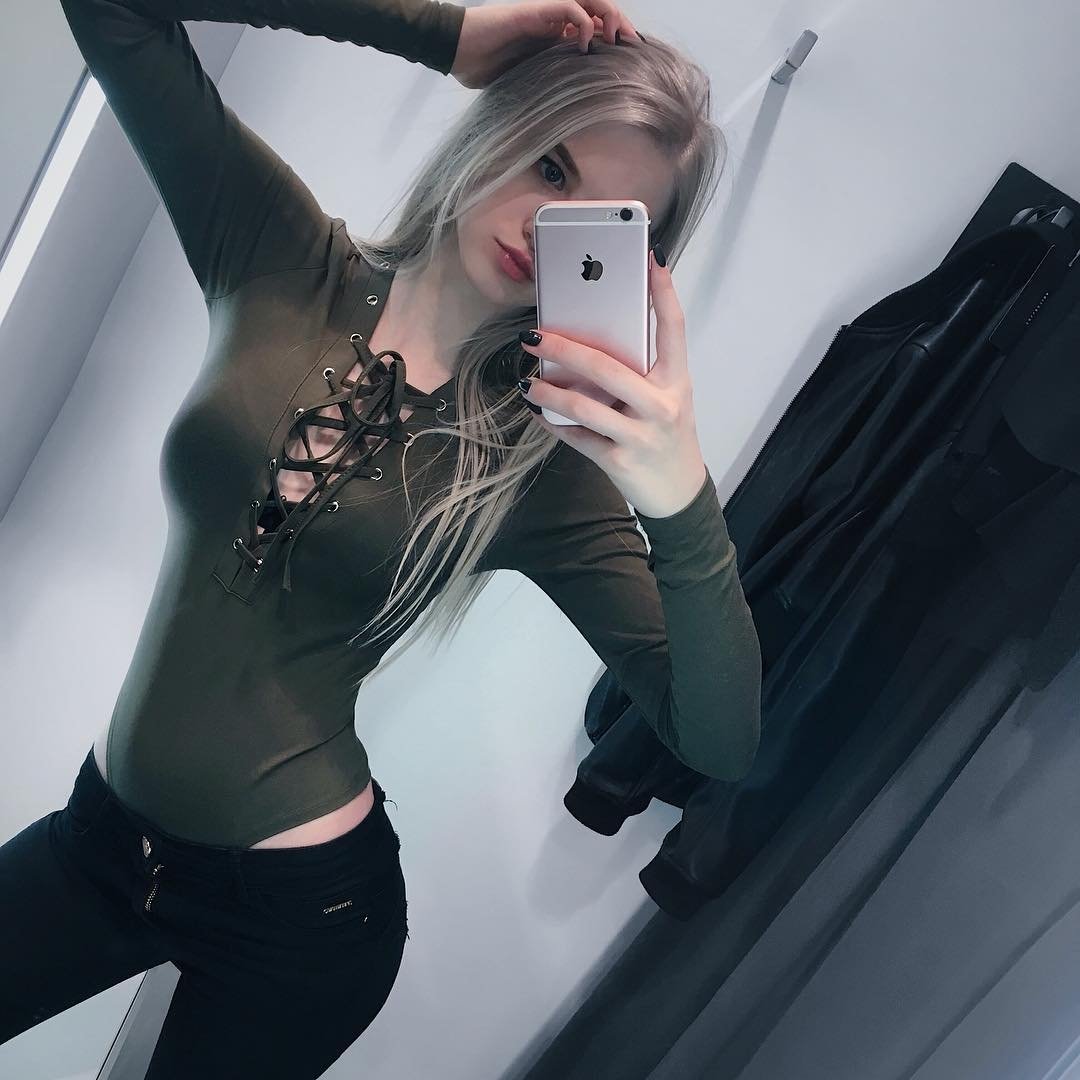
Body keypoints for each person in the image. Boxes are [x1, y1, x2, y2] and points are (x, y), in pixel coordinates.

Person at [0, 0, 762, 1074]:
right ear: (504, 123)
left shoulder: (543, 469)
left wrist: (679, 496)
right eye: (550, 166)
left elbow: (719, 738)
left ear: (627, 267)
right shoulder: (279, 254)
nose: (546, 227)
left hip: (296, 926)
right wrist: (439, 31)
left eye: (598, 225)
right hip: (98, 843)